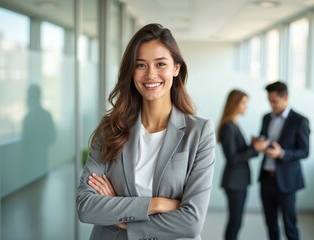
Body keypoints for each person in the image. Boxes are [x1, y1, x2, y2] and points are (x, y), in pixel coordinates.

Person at [76, 23, 216, 240]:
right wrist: (156, 204)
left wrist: (118, 213)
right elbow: (86, 206)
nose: (151, 74)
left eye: (161, 64)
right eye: (141, 65)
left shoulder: (199, 133)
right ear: (131, 71)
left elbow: (191, 222)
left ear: (176, 68)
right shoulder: (111, 129)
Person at [258, 81, 310, 240]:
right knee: (270, 224)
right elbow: (264, 137)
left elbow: (304, 151)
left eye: (274, 101)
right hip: (266, 178)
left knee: (290, 224)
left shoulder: (300, 120)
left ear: (285, 97)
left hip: (287, 181)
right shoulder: (266, 118)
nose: (271, 104)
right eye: (269, 101)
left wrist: (282, 153)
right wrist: (259, 142)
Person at [217, 89, 269, 240]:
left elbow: (238, 152)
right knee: (235, 221)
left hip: (238, 180)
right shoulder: (228, 127)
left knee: (237, 221)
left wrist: (252, 146)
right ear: (235, 104)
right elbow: (232, 158)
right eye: (244, 102)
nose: (246, 106)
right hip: (234, 182)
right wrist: (254, 149)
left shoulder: (234, 124)